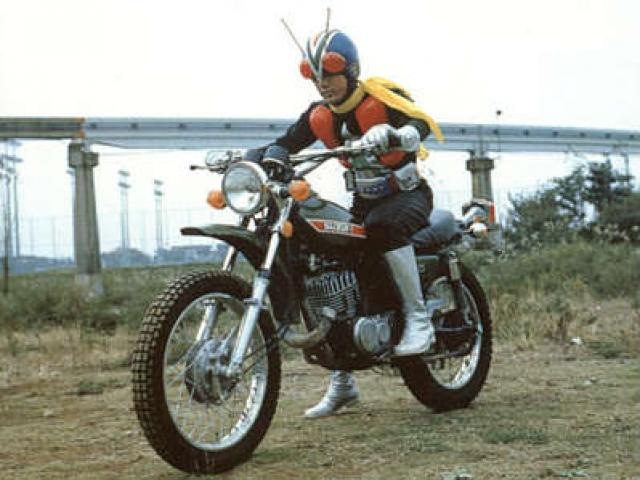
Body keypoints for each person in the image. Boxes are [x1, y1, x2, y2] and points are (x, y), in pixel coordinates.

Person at [253, 27, 444, 418]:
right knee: (326, 259)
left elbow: (420, 122)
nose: (323, 82)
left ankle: (418, 319)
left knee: (383, 229)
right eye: (315, 75)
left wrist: (397, 133)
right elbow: (286, 143)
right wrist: (260, 155)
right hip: (363, 202)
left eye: (330, 73)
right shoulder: (318, 115)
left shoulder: (380, 97)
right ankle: (342, 382)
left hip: (406, 195)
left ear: (351, 70)